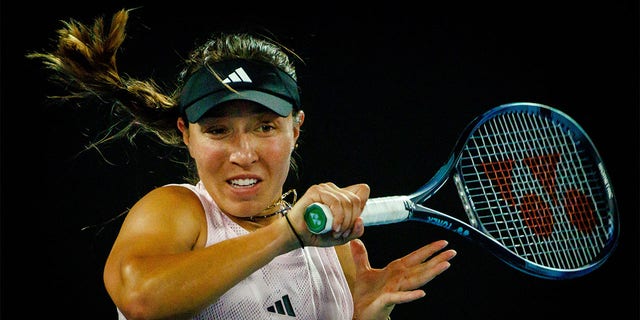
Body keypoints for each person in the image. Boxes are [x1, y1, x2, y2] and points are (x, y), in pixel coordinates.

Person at [29, 8, 457, 320]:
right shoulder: (177, 211)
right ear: (186, 134)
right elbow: (139, 299)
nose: (243, 152)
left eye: (265, 127)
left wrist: (364, 316)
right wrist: (288, 234)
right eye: (218, 131)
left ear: (297, 129)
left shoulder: (333, 247)